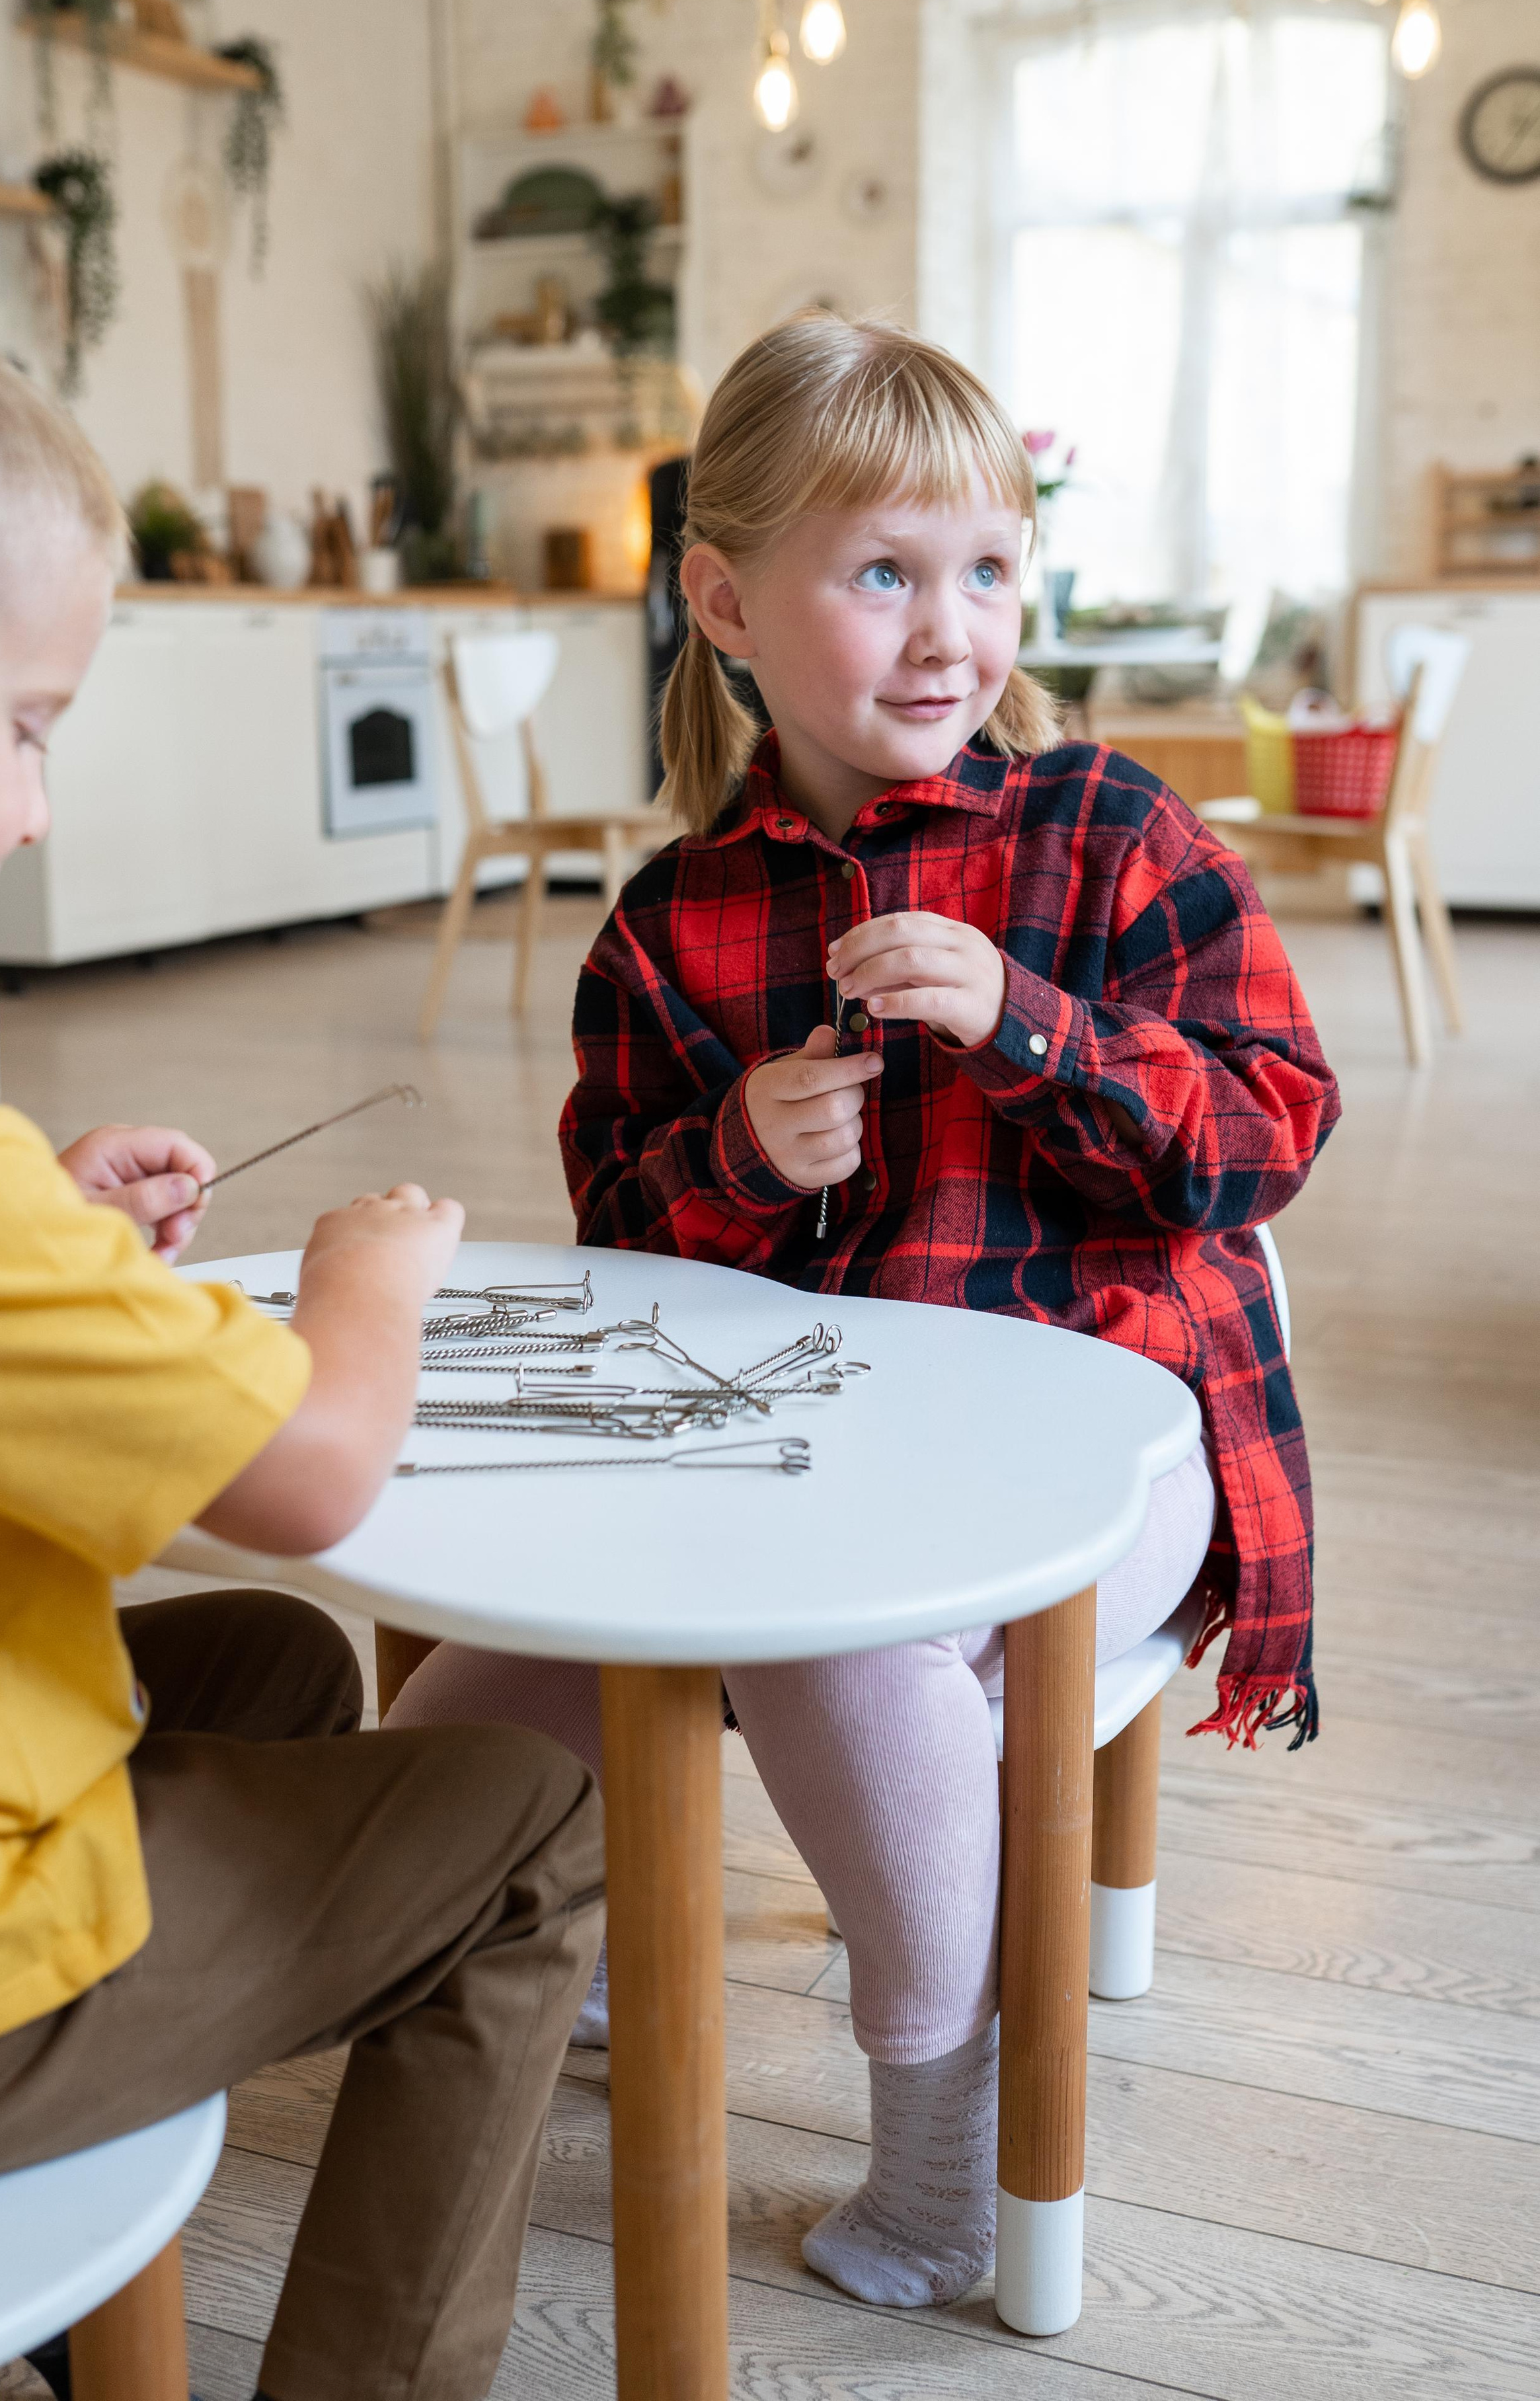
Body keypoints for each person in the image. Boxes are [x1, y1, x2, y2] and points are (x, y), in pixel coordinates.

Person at [387, 313, 1339, 2311]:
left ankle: (941, 2168)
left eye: (987, 568)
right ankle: (547, 1947)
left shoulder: (1108, 838)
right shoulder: (675, 918)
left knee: (833, 1620)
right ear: (728, 602)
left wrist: (1036, 1029)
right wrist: (735, 1152)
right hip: (795, 1452)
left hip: (1118, 1454)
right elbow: (619, 1244)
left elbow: (1264, 1133)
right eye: (884, 570)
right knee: (466, 1717)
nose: (949, 629)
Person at [0, 258, 604, 2401]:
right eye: (25, 729)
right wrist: (371, 1284)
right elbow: (311, 1471)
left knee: (267, 1676)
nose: (33, 809)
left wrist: (42, 1225)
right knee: (527, 1826)